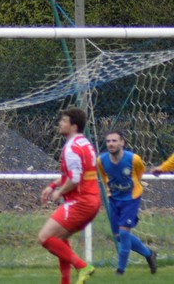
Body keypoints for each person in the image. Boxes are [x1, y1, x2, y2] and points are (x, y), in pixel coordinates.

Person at [38, 108, 100, 284]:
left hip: (81, 202)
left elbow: (74, 179)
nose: (60, 123)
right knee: (59, 238)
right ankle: (65, 281)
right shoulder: (84, 143)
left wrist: (59, 192)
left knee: (45, 237)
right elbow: (73, 174)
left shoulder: (71, 148)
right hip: (91, 200)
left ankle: (82, 266)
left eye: (64, 121)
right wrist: (53, 185)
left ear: (73, 126)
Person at [96, 131, 157, 275]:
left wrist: (131, 185)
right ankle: (149, 254)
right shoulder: (101, 160)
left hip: (131, 199)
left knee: (124, 233)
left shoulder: (133, 159)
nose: (111, 144)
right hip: (114, 199)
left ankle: (120, 271)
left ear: (122, 142)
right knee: (118, 236)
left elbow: (140, 172)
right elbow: (104, 177)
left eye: (114, 140)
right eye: (108, 141)